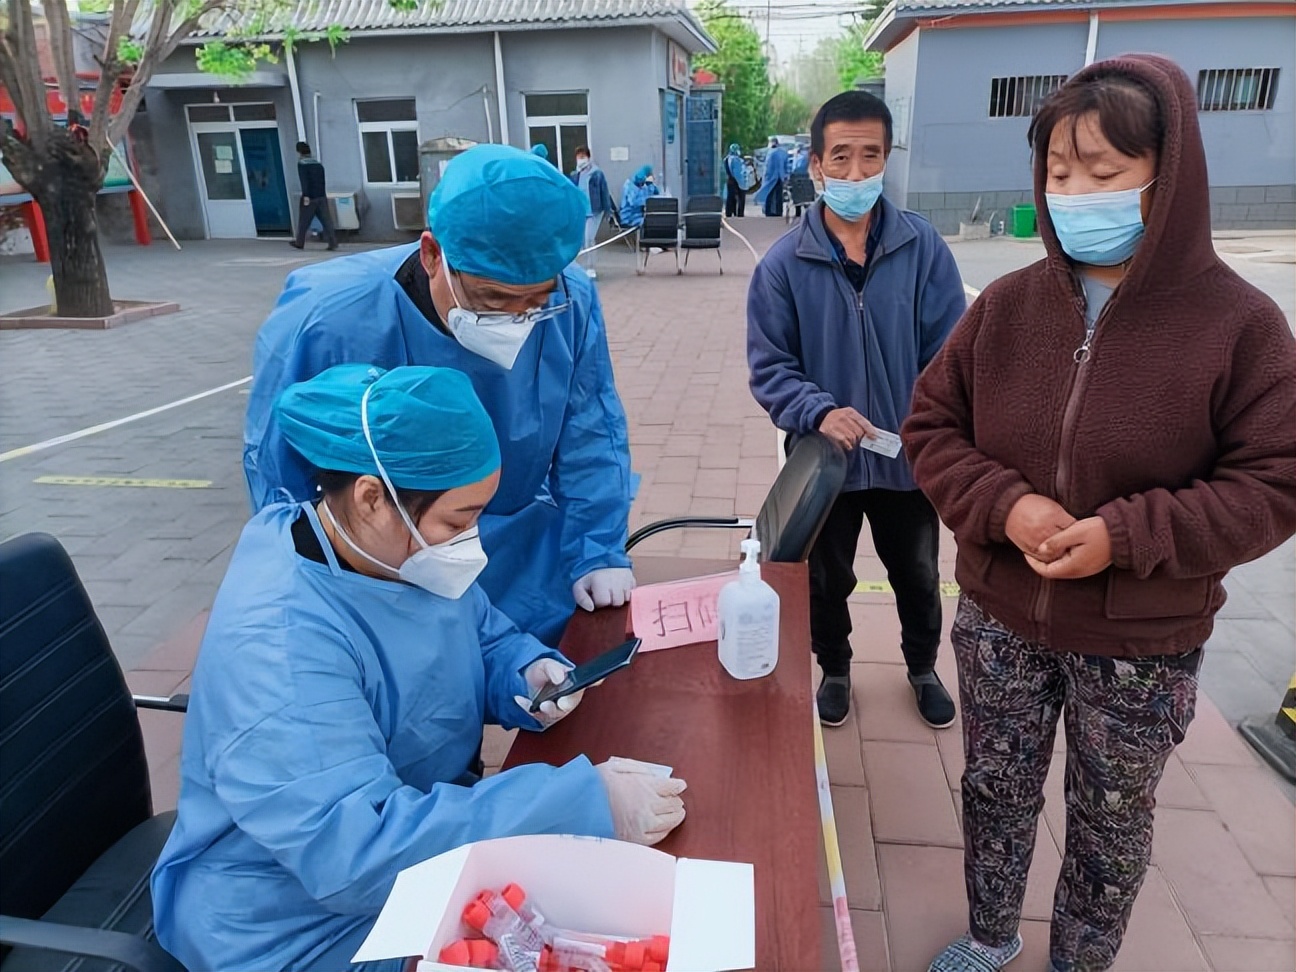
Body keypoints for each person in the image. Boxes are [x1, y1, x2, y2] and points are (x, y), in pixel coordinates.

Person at [904, 56, 1296, 972]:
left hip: (1140, 641)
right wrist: (1005, 504)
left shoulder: (1240, 326)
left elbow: (1273, 482)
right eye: (1058, 172)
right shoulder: (1005, 306)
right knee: (995, 788)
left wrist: (1126, 535)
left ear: (1170, 176)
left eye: (1105, 173)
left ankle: (1080, 960)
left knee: (1112, 821)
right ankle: (992, 934)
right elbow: (931, 425)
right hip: (1003, 614)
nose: (1075, 194)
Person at [153, 364, 687, 972]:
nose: (470, 540)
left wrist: (525, 670)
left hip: (410, 838)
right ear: (372, 497)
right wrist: (578, 802)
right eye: (458, 521)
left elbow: (477, 629)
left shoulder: (389, 548)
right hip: (290, 921)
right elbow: (353, 856)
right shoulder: (277, 645)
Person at [244, 144, 636, 645]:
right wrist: (323, 583)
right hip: (383, 557)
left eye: (534, 303)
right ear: (432, 255)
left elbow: (591, 432)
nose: (516, 323)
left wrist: (597, 549)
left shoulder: (570, 300)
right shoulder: (329, 318)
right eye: (494, 299)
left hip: (519, 536)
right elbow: (280, 475)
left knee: (536, 670)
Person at [747, 91, 966, 729]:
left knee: (919, 575)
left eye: (870, 156)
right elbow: (770, 367)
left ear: (887, 159)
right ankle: (836, 669)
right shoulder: (784, 265)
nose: (855, 173)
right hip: (826, 464)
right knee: (826, 579)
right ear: (815, 165)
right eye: (839, 157)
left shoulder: (922, 249)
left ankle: (922, 667)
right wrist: (818, 412)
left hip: (907, 462)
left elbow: (950, 355)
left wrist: (924, 425)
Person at [571, 145, 615, 279]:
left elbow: (604, 192)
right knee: (583, 241)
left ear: (588, 157)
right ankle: (583, 267)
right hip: (581, 212)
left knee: (590, 238)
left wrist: (608, 211)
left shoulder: (596, 173)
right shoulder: (576, 175)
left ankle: (591, 267)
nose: (581, 160)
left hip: (594, 211)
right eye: (578, 157)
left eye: (583, 157)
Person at [291, 141, 336, 251]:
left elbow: (304, 181)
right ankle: (333, 242)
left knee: (304, 220)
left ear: (299, 152)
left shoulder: (302, 164)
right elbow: (322, 181)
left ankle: (299, 242)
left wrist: (306, 196)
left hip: (310, 197)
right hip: (321, 196)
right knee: (326, 220)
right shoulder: (318, 164)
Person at [755, 137, 789, 217]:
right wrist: (785, 177)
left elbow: (767, 167)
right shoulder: (783, 153)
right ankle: (778, 212)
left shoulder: (770, 153)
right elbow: (786, 166)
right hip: (779, 177)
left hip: (770, 178)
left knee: (769, 195)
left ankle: (769, 211)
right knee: (778, 196)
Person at [724, 143, 748, 217]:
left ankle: (729, 212)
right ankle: (740, 213)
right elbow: (738, 172)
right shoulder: (736, 160)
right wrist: (743, 183)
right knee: (741, 198)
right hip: (737, 181)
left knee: (730, 197)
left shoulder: (726, 159)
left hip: (729, 180)